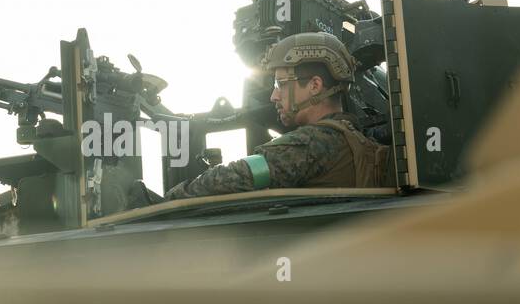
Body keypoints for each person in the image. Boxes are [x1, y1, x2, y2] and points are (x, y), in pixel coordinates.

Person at [162, 32, 393, 200]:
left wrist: (168, 200)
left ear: (315, 85)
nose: (274, 95)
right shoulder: (354, 139)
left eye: (281, 84)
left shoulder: (315, 142)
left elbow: (239, 175)